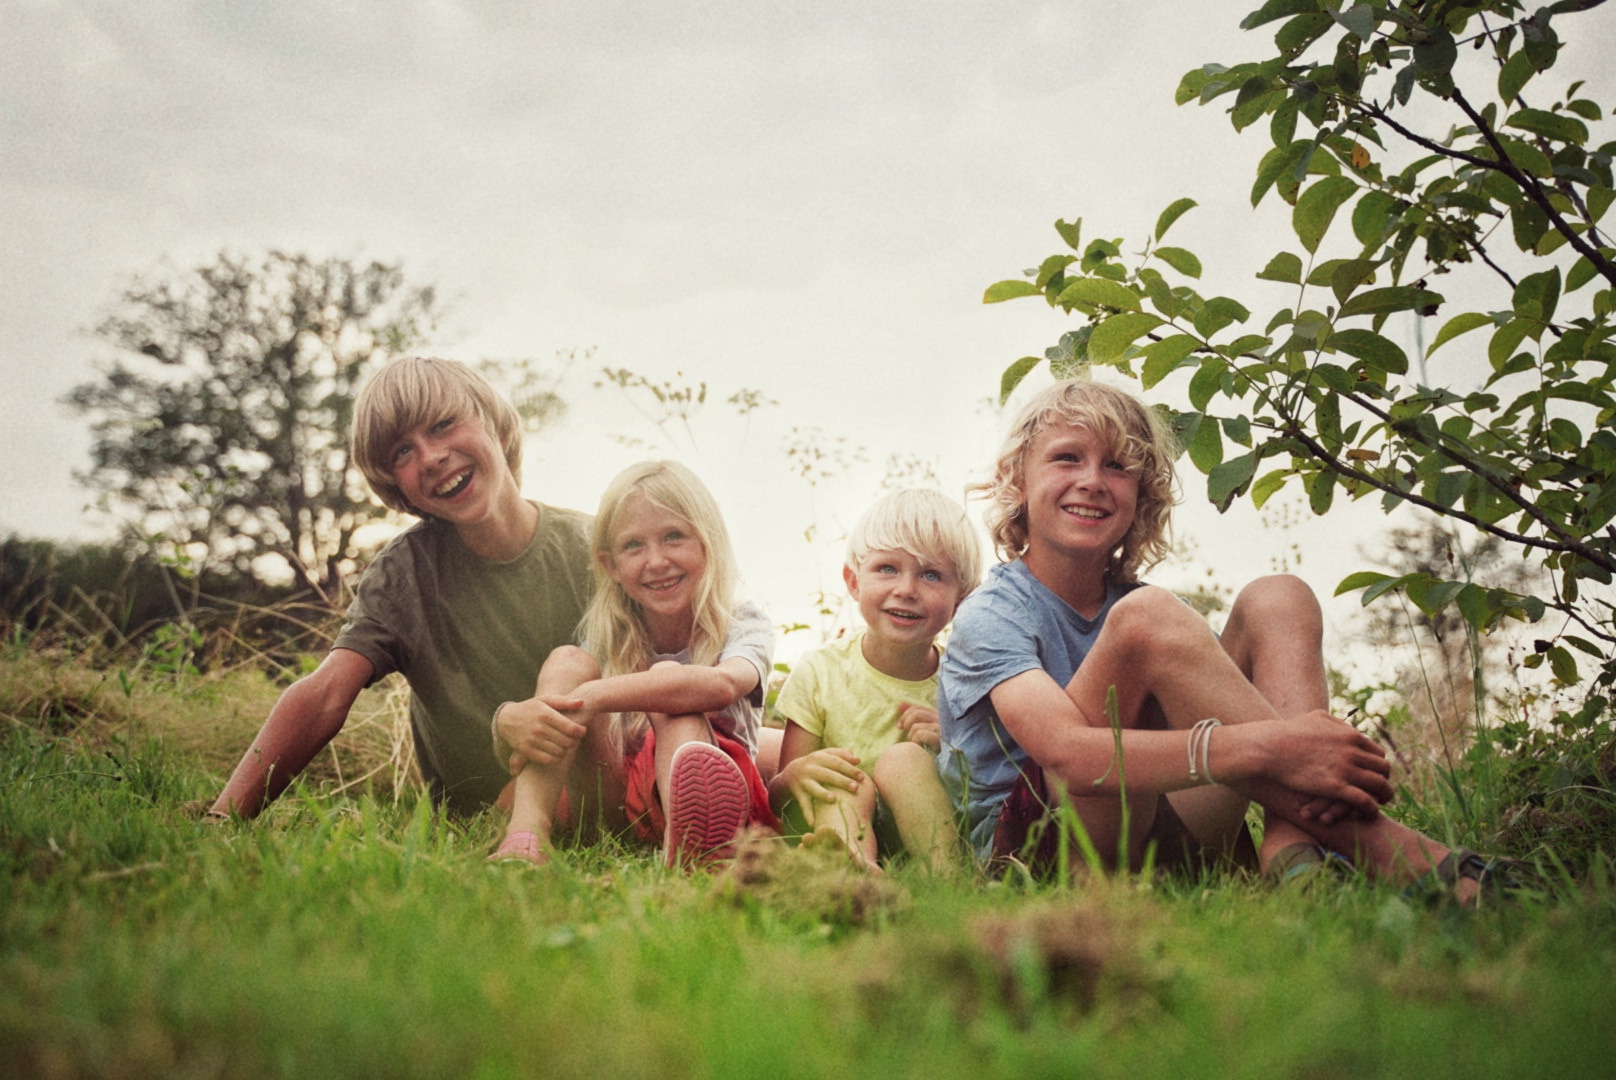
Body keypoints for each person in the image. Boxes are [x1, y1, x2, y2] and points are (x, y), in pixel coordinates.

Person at [937, 377, 1496, 900]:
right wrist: (1274, 748)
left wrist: (1271, 751)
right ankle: (1382, 848)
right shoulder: (993, 612)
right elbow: (1069, 757)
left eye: (1117, 466)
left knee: (1280, 595)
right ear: (1018, 481)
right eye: (1066, 458)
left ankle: (1290, 845)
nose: (1092, 481)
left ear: (1141, 495)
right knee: (1147, 617)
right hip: (1042, 854)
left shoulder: (1136, 606)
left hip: (1160, 834)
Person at [209, 356, 596, 821]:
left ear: (496, 424)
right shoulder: (404, 574)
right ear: (397, 487)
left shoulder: (594, 547)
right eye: (402, 453)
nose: (431, 457)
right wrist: (225, 814)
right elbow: (326, 694)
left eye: (444, 424)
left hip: (598, 780)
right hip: (475, 813)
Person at [491, 459, 782, 867]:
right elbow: (582, 722)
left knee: (670, 686)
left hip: (712, 794)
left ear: (707, 542)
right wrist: (516, 721)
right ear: (610, 565)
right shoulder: (610, 631)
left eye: (674, 536)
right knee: (567, 660)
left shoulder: (742, 623)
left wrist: (593, 695)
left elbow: (723, 686)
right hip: (618, 797)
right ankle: (526, 834)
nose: (657, 560)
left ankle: (694, 847)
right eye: (634, 546)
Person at [770, 489, 981, 874]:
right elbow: (782, 794)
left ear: (962, 599)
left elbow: (983, 789)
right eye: (887, 568)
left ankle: (950, 878)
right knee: (836, 775)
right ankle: (850, 868)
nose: (905, 589)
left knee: (903, 760)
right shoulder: (820, 671)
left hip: (924, 833)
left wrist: (954, 741)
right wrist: (796, 775)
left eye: (931, 574)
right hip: (837, 822)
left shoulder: (964, 684)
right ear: (853, 581)